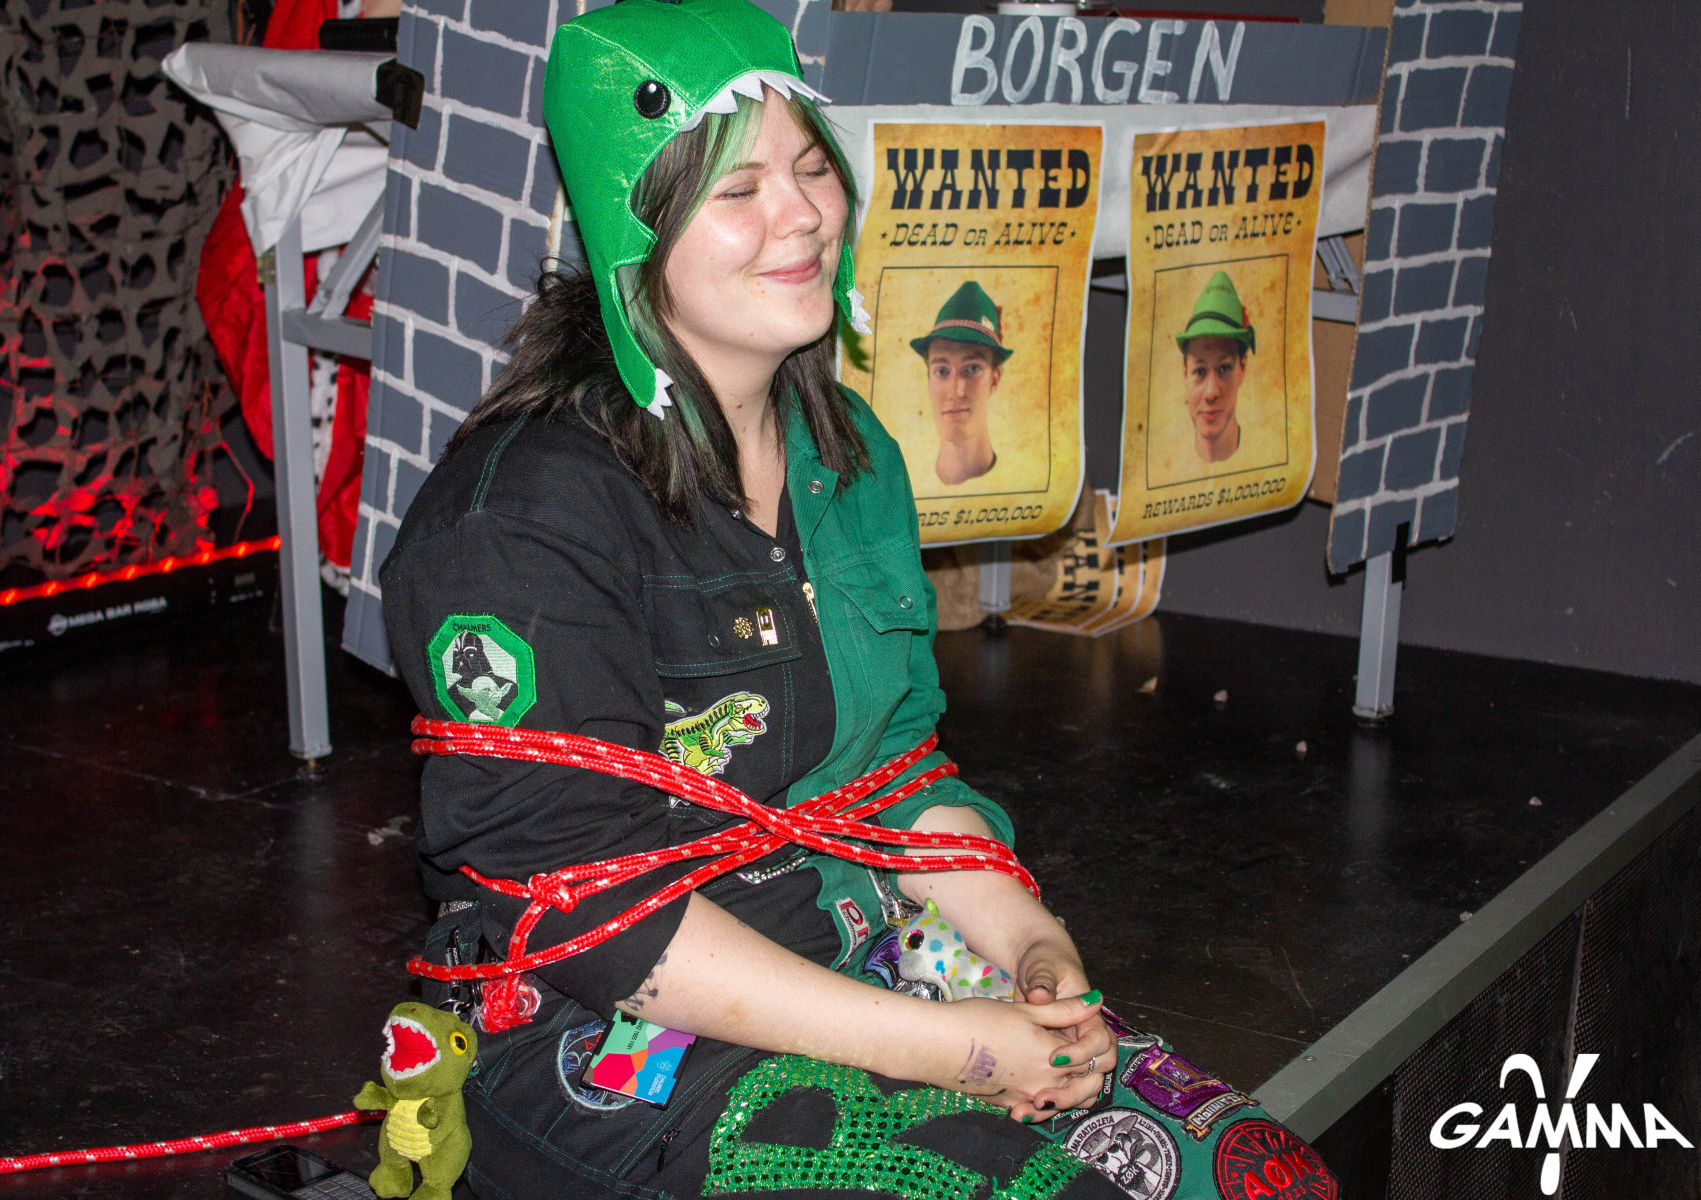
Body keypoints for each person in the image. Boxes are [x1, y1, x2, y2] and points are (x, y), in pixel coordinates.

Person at [380, 3, 1337, 1198]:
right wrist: (959, 1050)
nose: (802, 216)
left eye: (813, 168)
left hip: (856, 950)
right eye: (739, 190)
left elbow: (893, 774)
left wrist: (1032, 948)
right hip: (612, 1040)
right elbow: (590, 913)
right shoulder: (521, 519)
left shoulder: (849, 456)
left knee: (1256, 1179)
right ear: (636, 228)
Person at [912, 280, 1011, 486]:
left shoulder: (1021, 479)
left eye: (972, 369)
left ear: (994, 380)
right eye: (942, 371)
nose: (956, 391)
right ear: (928, 381)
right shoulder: (903, 480)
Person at [1174, 270, 1255, 465]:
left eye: (1224, 369)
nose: (1211, 392)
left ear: (1242, 367)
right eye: (1200, 371)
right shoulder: (1168, 464)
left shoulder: (1266, 455)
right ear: (1185, 373)